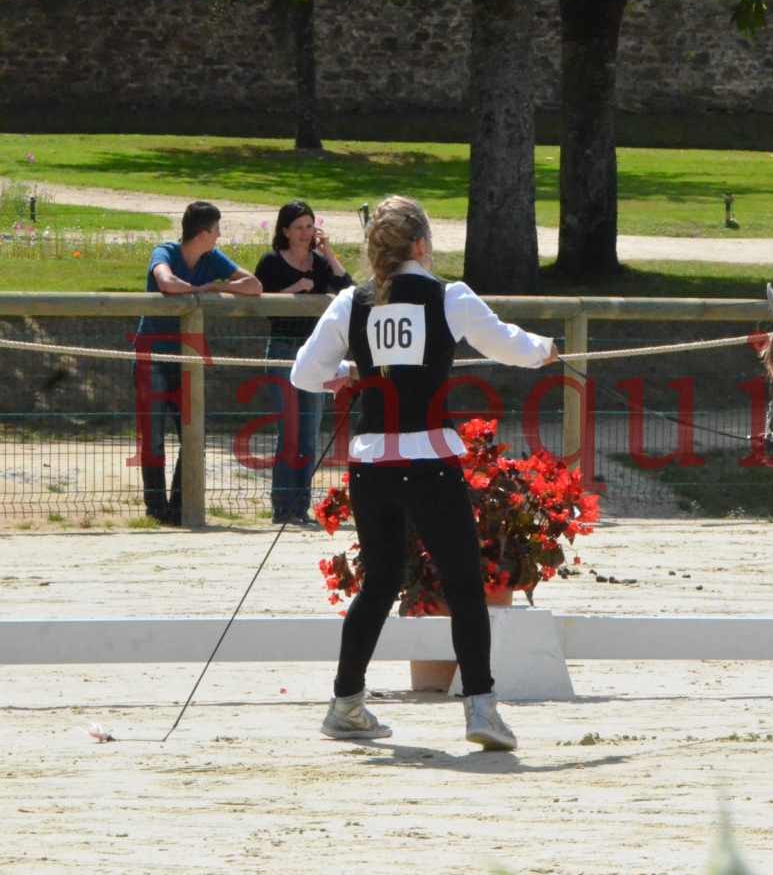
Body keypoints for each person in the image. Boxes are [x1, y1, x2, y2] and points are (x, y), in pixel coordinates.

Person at [291, 195, 559, 750]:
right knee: (464, 584)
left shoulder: (351, 301)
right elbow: (507, 343)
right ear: (420, 245)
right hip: (431, 461)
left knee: (380, 584)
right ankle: (480, 710)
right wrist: (545, 351)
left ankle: (345, 703)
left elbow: (304, 373)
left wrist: (344, 373)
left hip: (372, 466)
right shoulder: (448, 297)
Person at [133, 201, 262, 525]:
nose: (219, 236)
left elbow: (254, 285)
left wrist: (218, 285)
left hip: (187, 359)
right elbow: (165, 281)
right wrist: (197, 290)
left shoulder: (211, 259)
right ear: (203, 233)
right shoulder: (165, 251)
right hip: (154, 357)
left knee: (194, 436)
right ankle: (155, 509)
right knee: (153, 437)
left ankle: (179, 507)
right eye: (217, 230)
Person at [253, 201, 355, 526]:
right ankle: (282, 508)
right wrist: (293, 290)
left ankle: (301, 508)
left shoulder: (319, 263)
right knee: (290, 432)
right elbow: (263, 306)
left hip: (315, 353)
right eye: (298, 227)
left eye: (309, 227)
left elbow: (348, 290)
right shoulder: (270, 262)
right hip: (283, 349)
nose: (304, 233)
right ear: (284, 230)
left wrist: (329, 255)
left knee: (309, 433)